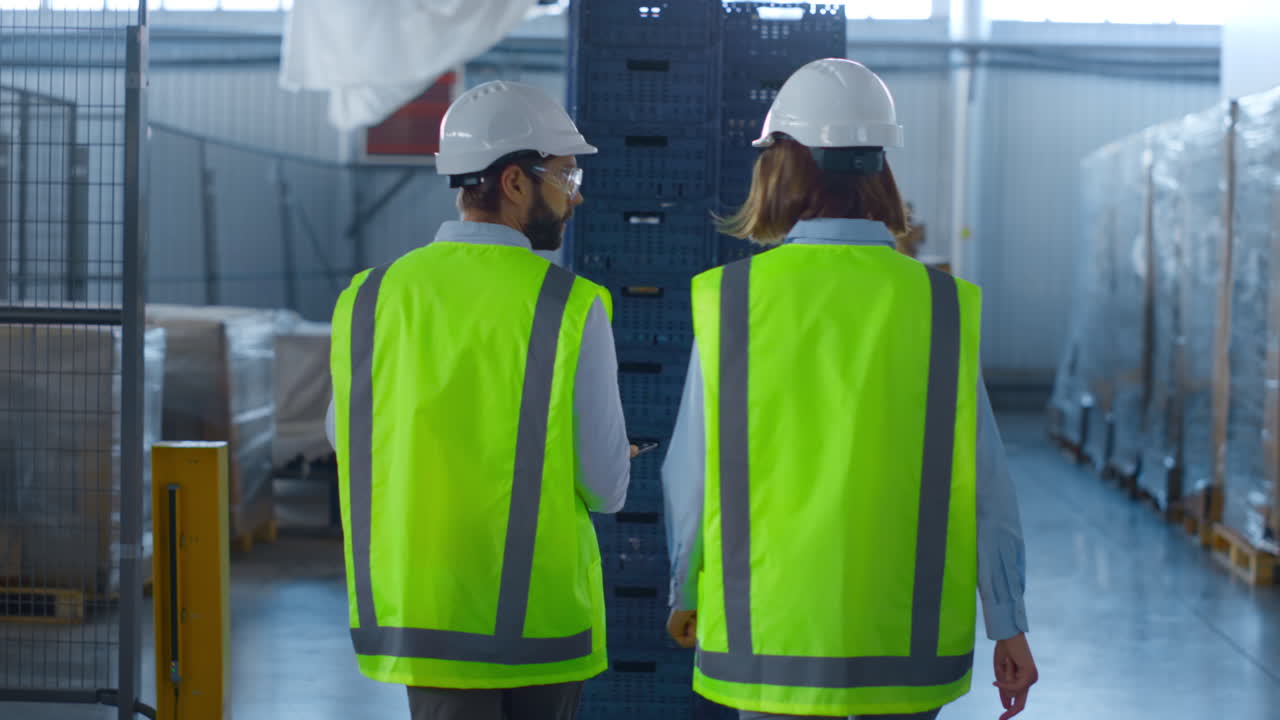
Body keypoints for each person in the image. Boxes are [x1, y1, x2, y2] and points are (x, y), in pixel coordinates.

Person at [660, 59, 1038, 720]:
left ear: (783, 166)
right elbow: (986, 481)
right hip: (906, 641)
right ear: (880, 168)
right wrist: (1006, 619)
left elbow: (692, 475)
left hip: (771, 631)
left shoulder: (734, 301)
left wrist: (683, 589)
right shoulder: (940, 306)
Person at [326, 80, 633, 720]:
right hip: (537, 621)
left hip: (426, 609)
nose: (575, 198)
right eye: (567, 179)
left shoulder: (370, 296)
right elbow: (607, 486)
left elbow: (347, 436)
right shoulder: (569, 303)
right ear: (515, 182)